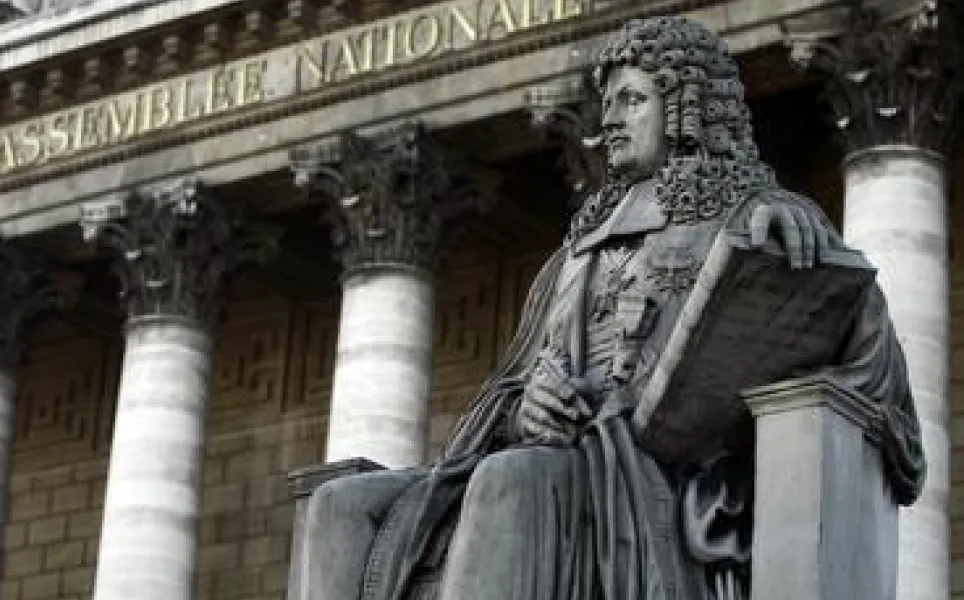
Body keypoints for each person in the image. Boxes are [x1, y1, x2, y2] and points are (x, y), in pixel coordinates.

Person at [297, 16, 925, 600]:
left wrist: (802, 249)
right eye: (609, 104)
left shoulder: (755, 221)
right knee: (340, 505)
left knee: (508, 481)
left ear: (687, 108)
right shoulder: (578, 250)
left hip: (654, 476)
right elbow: (510, 386)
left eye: (632, 100)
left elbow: (867, 348)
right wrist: (523, 407)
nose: (611, 121)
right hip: (548, 454)